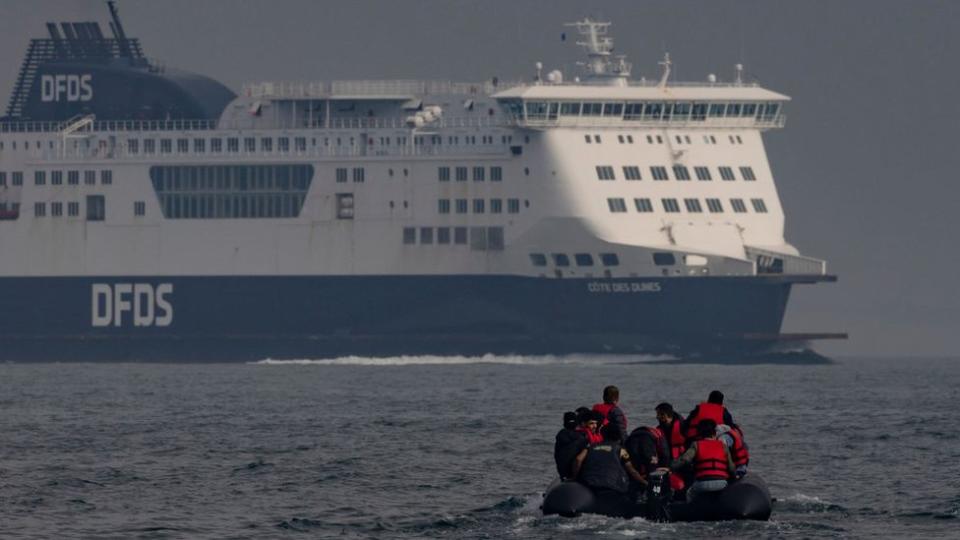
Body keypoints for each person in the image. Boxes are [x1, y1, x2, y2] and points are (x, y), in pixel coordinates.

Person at [669, 419, 736, 501]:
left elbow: (685, 460)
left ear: (700, 434)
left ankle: (693, 512)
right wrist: (735, 476)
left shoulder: (696, 445)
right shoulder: (723, 446)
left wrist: (671, 467)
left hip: (702, 483)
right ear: (715, 433)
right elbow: (731, 467)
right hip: (721, 483)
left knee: (689, 494)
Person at [571, 423, 645, 495]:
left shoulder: (590, 447)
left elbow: (578, 459)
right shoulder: (620, 450)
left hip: (589, 485)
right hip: (612, 487)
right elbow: (632, 471)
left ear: (603, 434)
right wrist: (645, 483)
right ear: (618, 435)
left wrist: (575, 478)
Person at [655, 402, 687, 493]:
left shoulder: (683, 425)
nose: (657, 417)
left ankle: (682, 493)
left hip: (682, 460)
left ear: (667, 415)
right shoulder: (659, 428)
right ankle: (659, 493)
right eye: (657, 414)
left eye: (660, 414)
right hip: (666, 461)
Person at [555, 411, 588, 480]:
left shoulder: (560, 435)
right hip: (577, 474)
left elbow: (557, 456)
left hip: (563, 472)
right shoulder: (582, 438)